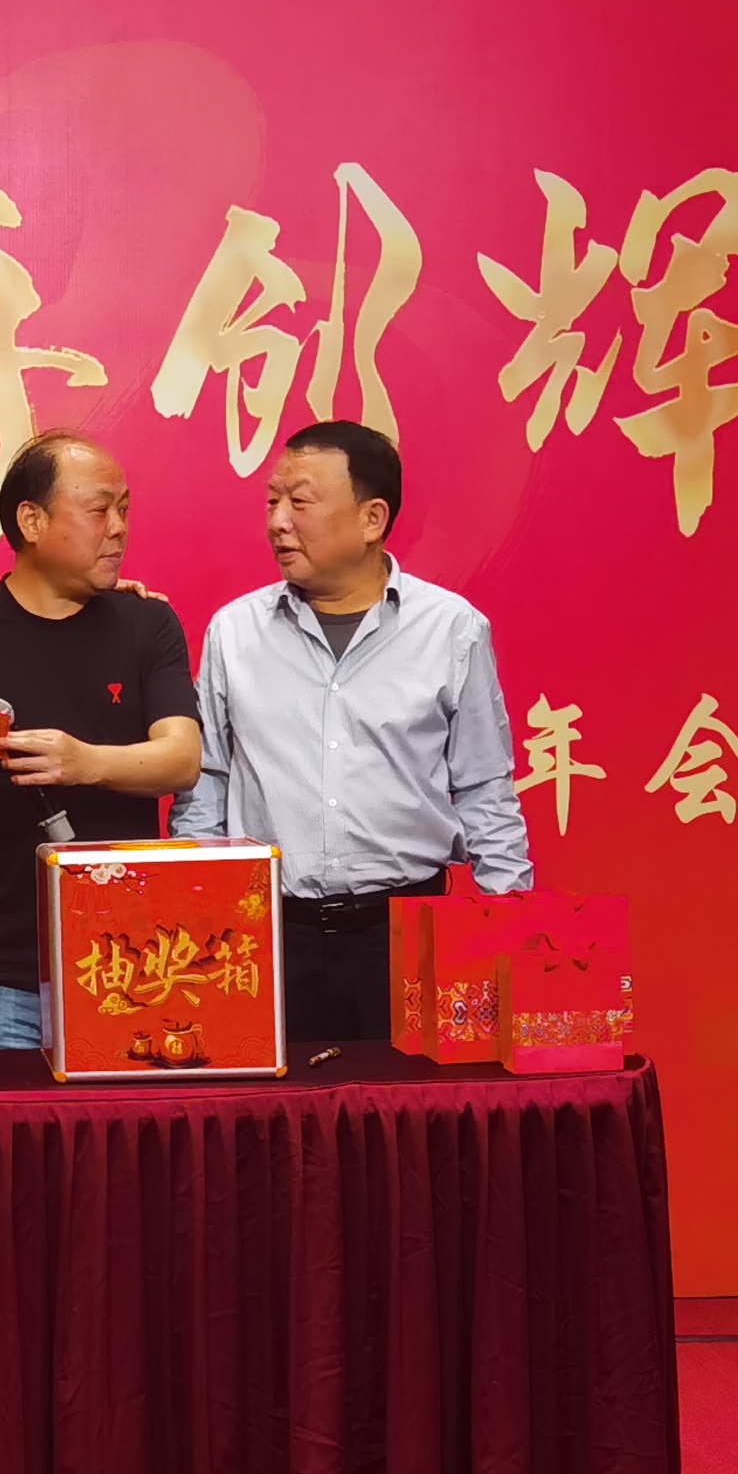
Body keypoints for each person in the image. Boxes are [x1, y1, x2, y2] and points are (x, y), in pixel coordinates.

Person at [173, 419, 533, 1042]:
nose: (278, 522)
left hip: (404, 934)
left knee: (408, 1102)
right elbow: (207, 783)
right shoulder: (234, 632)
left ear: (372, 518)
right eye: (272, 501)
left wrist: (508, 926)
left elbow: (485, 788)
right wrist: (199, 913)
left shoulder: (451, 629)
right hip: (265, 937)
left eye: (300, 502)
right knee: (271, 1104)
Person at [0, 432, 201, 1053]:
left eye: (124, 510)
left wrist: (84, 763)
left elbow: (181, 759)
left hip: (130, 965)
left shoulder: (146, 623)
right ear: (31, 520)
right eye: (99, 509)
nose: (118, 528)